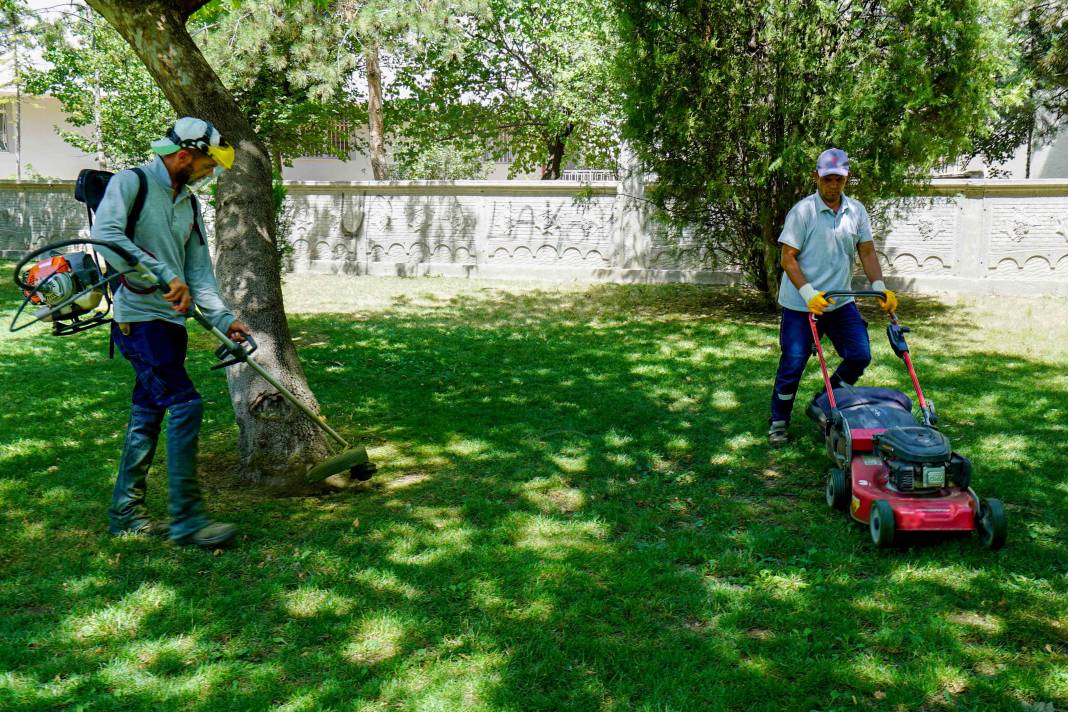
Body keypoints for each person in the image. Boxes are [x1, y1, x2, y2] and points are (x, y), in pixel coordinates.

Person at [93, 117, 250, 547]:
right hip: (139, 321)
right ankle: (187, 521)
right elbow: (104, 235)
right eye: (206, 165)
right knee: (185, 405)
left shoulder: (189, 204)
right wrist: (163, 275)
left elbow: (198, 272)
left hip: (170, 326)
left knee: (148, 412)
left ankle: (125, 512)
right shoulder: (132, 184)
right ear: (184, 155)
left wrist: (223, 318)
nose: (209, 173)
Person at [767, 148, 898, 447]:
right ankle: (778, 421)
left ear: (845, 180)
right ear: (816, 177)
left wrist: (879, 285)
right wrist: (808, 292)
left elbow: (866, 250)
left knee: (859, 355)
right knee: (794, 362)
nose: (833, 184)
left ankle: (824, 400)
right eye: (828, 178)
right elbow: (788, 258)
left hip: (840, 303)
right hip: (802, 303)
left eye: (839, 179)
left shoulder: (857, 211)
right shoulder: (803, 212)